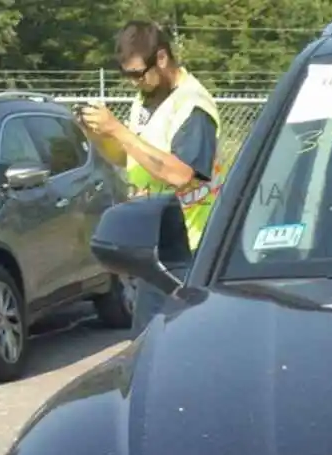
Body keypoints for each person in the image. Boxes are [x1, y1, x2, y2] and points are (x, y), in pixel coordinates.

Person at [76, 21, 222, 327]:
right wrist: (98, 135)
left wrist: (118, 129)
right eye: (126, 75)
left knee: (171, 348)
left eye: (136, 74)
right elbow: (127, 156)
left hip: (188, 253)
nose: (132, 83)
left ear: (162, 59)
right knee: (147, 347)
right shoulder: (147, 98)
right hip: (154, 249)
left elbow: (182, 174)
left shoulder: (192, 106)